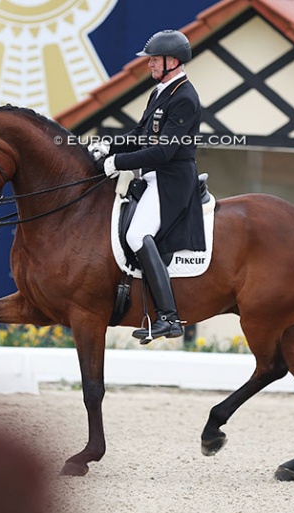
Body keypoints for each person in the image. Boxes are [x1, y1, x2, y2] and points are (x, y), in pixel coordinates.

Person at [92, 29, 205, 343]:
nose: (149, 65)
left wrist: (118, 163)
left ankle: (168, 317)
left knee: (136, 233)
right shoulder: (160, 93)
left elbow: (164, 151)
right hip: (152, 176)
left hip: (172, 181)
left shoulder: (185, 97)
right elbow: (141, 135)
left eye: (154, 60)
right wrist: (110, 147)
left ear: (172, 60)